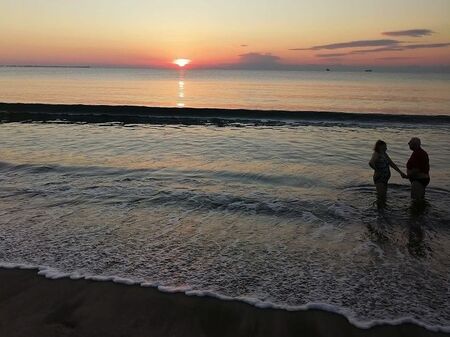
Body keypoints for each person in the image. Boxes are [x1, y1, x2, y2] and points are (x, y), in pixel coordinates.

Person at [369, 140, 406, 205]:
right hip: (379, 178)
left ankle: (383, 210)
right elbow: (371, 163)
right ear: (380, 146)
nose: (386, 148)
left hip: (385, 178)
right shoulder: (376, 154)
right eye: (385, 146)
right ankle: (378, 212)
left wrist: (400, 172)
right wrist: (377, 171)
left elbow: (391, 164)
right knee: (380, 197)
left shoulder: (384, 154)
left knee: (384, 196)